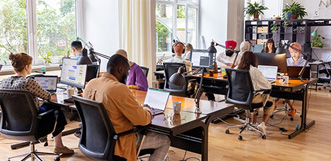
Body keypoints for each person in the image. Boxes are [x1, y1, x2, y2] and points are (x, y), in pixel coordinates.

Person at [83, 54, 170, 161]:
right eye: (127, 72)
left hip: (94, 141)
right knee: (165, 140)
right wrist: (147, 109)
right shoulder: (119, 89)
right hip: (118, 143)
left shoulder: (91, 84)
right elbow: (142, 120)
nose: (128, 75)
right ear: (120, 69)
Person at [0, 53, 74, 155]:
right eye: (30, 65)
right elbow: (50, 97)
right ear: (26, 67)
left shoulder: (3, 83)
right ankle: (58, 146)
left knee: (46, 106)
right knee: (56, 109)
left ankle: (57, 145)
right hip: (32, 125)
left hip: (11, 125)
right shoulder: (28, 82)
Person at [237, 51, 275, 135]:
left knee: (258, 96)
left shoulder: (236, 68)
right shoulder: (254, 70)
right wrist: (269, 83)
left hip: (238, 98)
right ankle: (263, 124)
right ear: (253, 60)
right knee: (271, 101)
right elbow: (267, 86)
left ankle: (253, 123)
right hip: (250, 99)